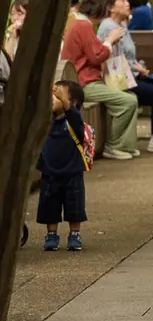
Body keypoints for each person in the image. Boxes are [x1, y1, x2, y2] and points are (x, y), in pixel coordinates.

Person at [61, 0, 139, 160]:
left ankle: (125, 145)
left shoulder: (81, 24)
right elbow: (96, 57)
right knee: (128, 100)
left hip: (84, 81)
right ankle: (115, 145)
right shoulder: (83, 26)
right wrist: (110, 41)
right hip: (84, 83)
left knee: (128, 98)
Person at [97, 0, 153, 154]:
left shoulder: (122, 25)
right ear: (111, 7)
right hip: (119, 81)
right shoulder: (109, 26)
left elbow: (127, 57)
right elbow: (112, 56)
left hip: (131, 76)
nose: (127, 4)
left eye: (127, 0)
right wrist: (136, 69)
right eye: (122, 0)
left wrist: (139, 67)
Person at [37, 81, 90, 251]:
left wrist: (65, 103)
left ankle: (74, 233)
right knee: (49, 205)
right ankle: (51, 234)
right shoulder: (46, 121)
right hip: (49, 171)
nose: (53, 98)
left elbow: (73, 114)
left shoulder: (73, 122)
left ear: (73, 102)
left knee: (74, 205)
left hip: (72, 172)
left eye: (58, 95)